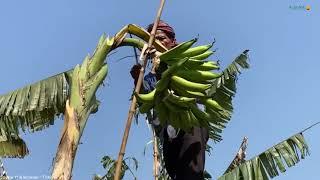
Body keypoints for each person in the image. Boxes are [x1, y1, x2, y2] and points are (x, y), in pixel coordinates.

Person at [130, 20, 209, 180]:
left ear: (173, 42)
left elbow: (195, 87)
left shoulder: (185, 60)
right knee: (176, 175)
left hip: (190, 124)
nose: (157, 43)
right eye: (153, 41)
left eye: (161, 38)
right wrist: (137, 81)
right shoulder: (150, 78)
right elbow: (146, 103)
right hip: (167, 133)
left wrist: (162, 65)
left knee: (190, 174)